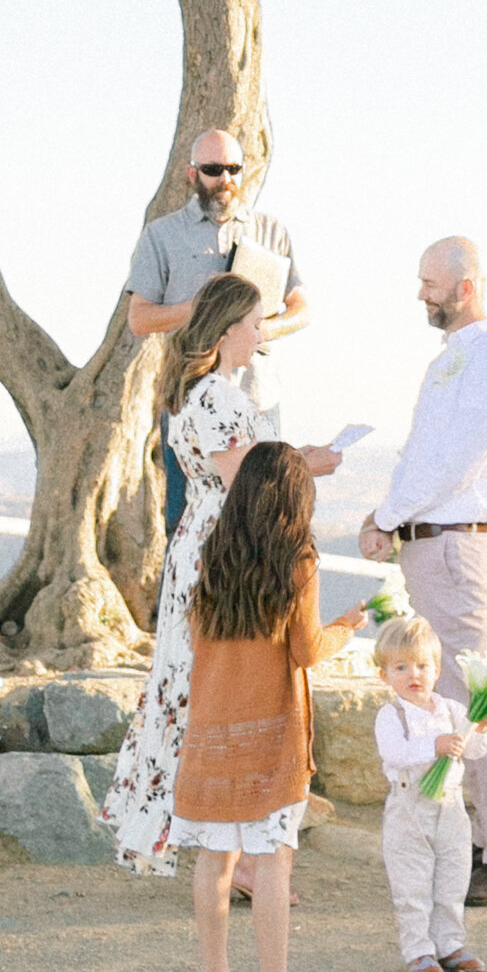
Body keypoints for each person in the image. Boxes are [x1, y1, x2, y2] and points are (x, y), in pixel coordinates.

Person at [108, 276, 350, 876]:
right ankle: (228, 846)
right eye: (254, 322)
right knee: (218, 682)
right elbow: (247, 477)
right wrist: (307, 465)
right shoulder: (215, 397)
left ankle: (226, 841)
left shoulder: (210, 392)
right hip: (224, 545)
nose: (263, 332)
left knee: (203, 681)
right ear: (226, 330)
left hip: (212, 539)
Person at [359, 235, 487, 910]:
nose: (421, 294)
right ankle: (477, 845)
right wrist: (392, 519)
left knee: (478, 694)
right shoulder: (453, 359)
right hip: (429, 541)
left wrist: (389, 513)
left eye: (430, 283)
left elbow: (460, 459)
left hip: (457, 544)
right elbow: (424, 454)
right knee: (450, 695)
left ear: (464, 287)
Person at [173, 440, 369, 972]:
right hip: (271, 737)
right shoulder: (298, 560)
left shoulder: (213, 555)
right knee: (273, 858)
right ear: (295, 495)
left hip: (210, 732)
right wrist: (347, 627)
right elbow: (306, 651)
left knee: (215, 858)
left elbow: (198, 639)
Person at [127, 128, 308, 517]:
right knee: (185, 515)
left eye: (233, 168)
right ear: (192, 175)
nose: (224, 179)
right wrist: (202, 309)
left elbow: (302, 309)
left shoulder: (272, 233)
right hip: (190, 398)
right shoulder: (162, 235)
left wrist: (257, 329)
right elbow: (138, 318)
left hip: (258, 397)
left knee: (261, 514)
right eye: (212, 169)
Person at [371, 614, 487, 972]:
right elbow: (395, 753)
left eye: (421, 665)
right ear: (385, 675)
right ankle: (419, 950)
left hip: (451, 805)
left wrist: (483, 729)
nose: (413, 675)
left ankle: (450, 942)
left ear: (437, 670)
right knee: (412, 880)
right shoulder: (391, 716)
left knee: (453, 876)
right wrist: (433, 746)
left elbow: (474, 751)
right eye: (401, 667)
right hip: (409, 808)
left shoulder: (452, 711)